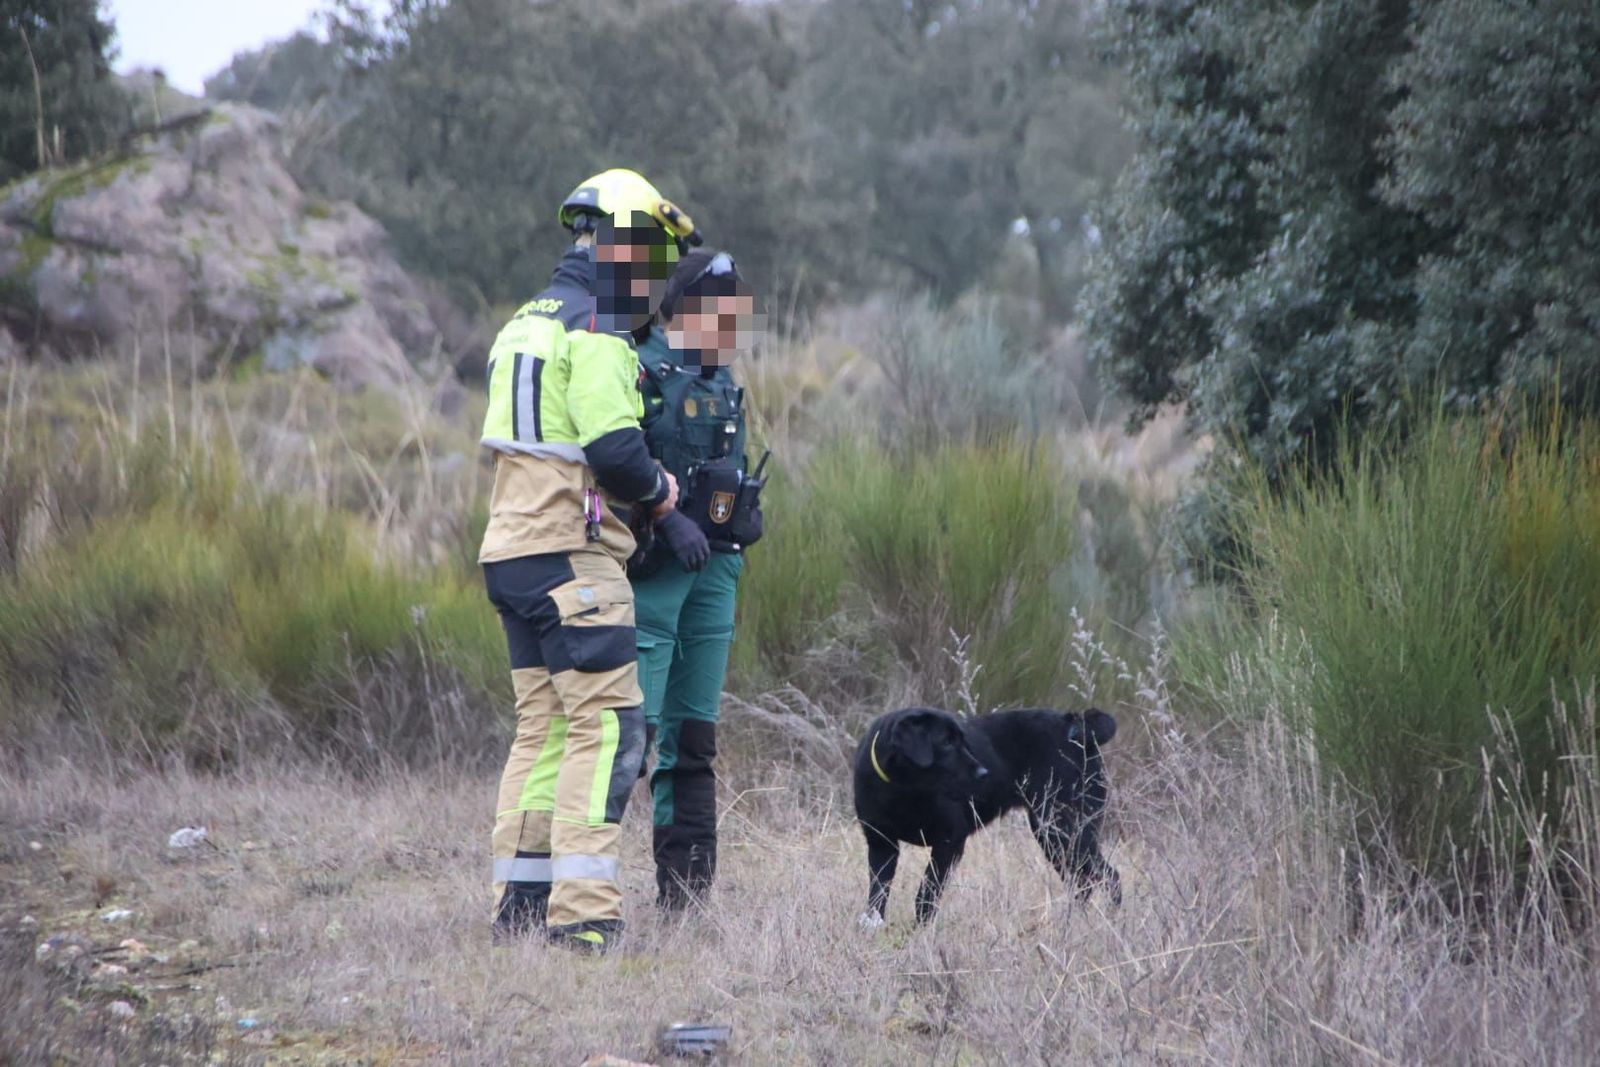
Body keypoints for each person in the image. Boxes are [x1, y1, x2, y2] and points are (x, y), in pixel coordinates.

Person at [482, 171, 698, 953]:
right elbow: (612, 449)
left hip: (510, 552)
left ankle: (519, 906)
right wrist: (664, 496)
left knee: (543, 728)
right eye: (653, 260)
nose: (654, 281)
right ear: (621, 244)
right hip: (572, 556)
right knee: (607, 728)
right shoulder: (598, 327)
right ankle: (584, 916)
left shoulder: (523, 322)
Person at [629, 248, 766, 911]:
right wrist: (662, 517)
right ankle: (576, 893)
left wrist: (743, 513)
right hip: (651, 574)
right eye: (723, 310)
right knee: (625, 733)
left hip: (715, 571)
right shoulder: (636, 367)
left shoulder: (722, 379)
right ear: (685, 310)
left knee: (693, 737)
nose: (734, 323)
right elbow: (610, 462)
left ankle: (686, 896)